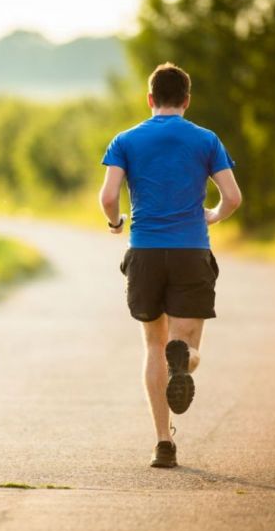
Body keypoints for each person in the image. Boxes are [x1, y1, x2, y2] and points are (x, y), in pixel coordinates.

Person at [99, 62, 242, 469]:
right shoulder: (206, 139)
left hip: (144, 251)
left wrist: (115, 224)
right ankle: (186, 361)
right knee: (187, 346)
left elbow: (109, 196)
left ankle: (163, 444)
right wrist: (212, 215)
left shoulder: (125, 139)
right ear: (187, 100)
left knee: (152, 346)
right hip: (190, 251)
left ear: (149, 99)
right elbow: (232, 197)